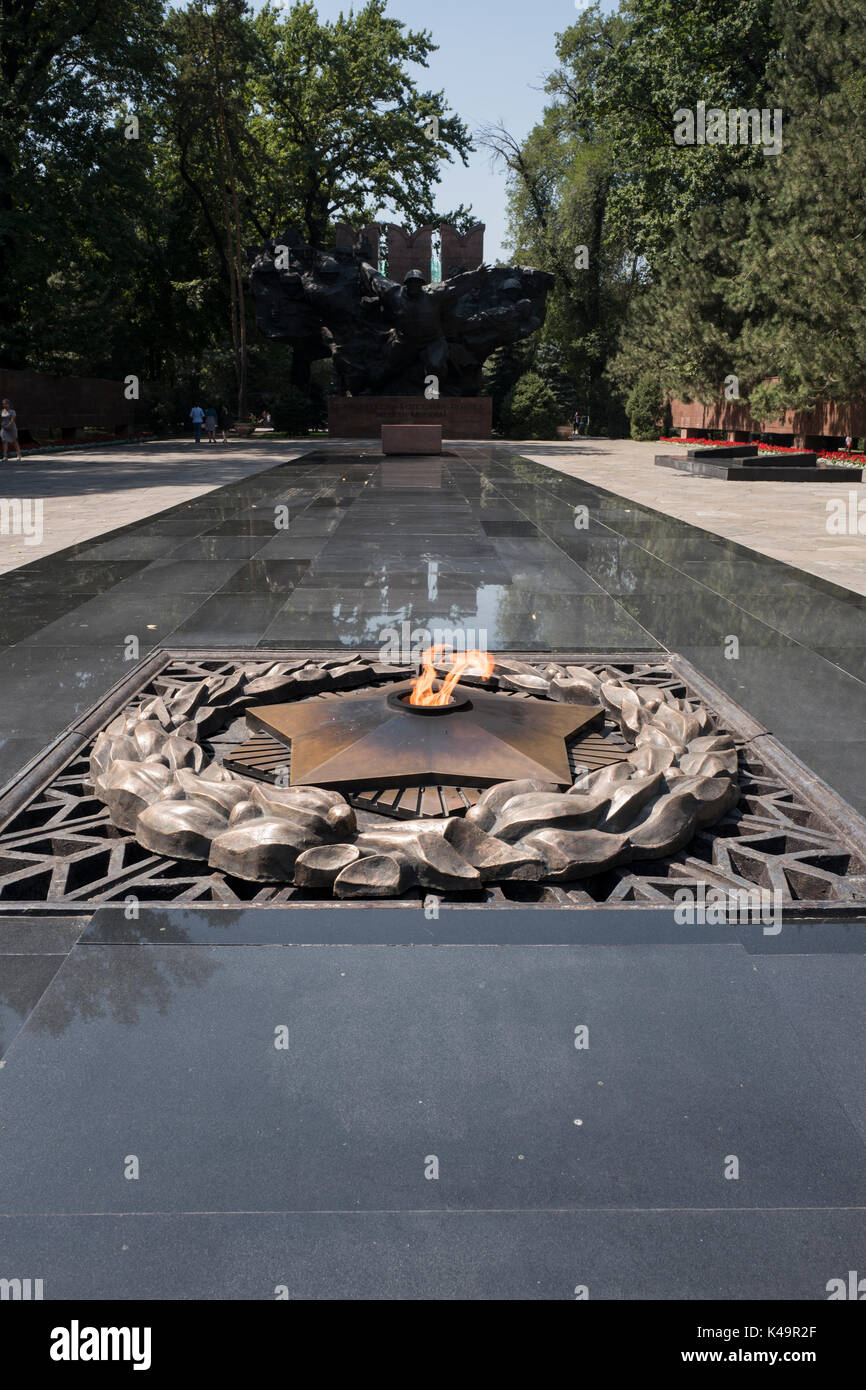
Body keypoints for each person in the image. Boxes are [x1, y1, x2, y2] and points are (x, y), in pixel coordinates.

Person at [1, 398, 23, 463]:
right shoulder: (2, 411)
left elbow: (12, 420)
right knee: (4, 441)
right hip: (4, 428)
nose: (4, 405)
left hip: (12, 428)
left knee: (15, 441)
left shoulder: (12, 411)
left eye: (6, 404)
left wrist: (9, 425)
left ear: (9, 404)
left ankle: (19, 455)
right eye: (3, 404)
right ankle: (5, 456)